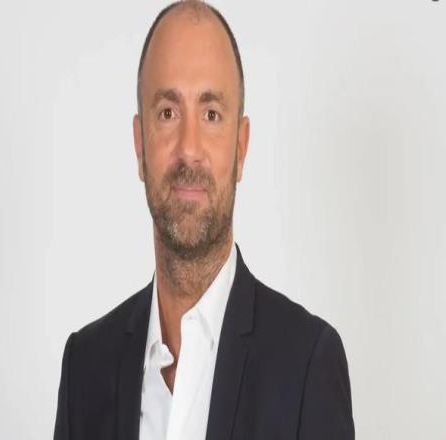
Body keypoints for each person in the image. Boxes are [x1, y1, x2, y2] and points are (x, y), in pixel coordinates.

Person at [53, 1, 355, 439]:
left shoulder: (307, 364)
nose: (189, 149)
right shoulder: (85, 367)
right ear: (139, 145)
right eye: (168, 113)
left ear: (241, 147)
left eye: (211, 115)